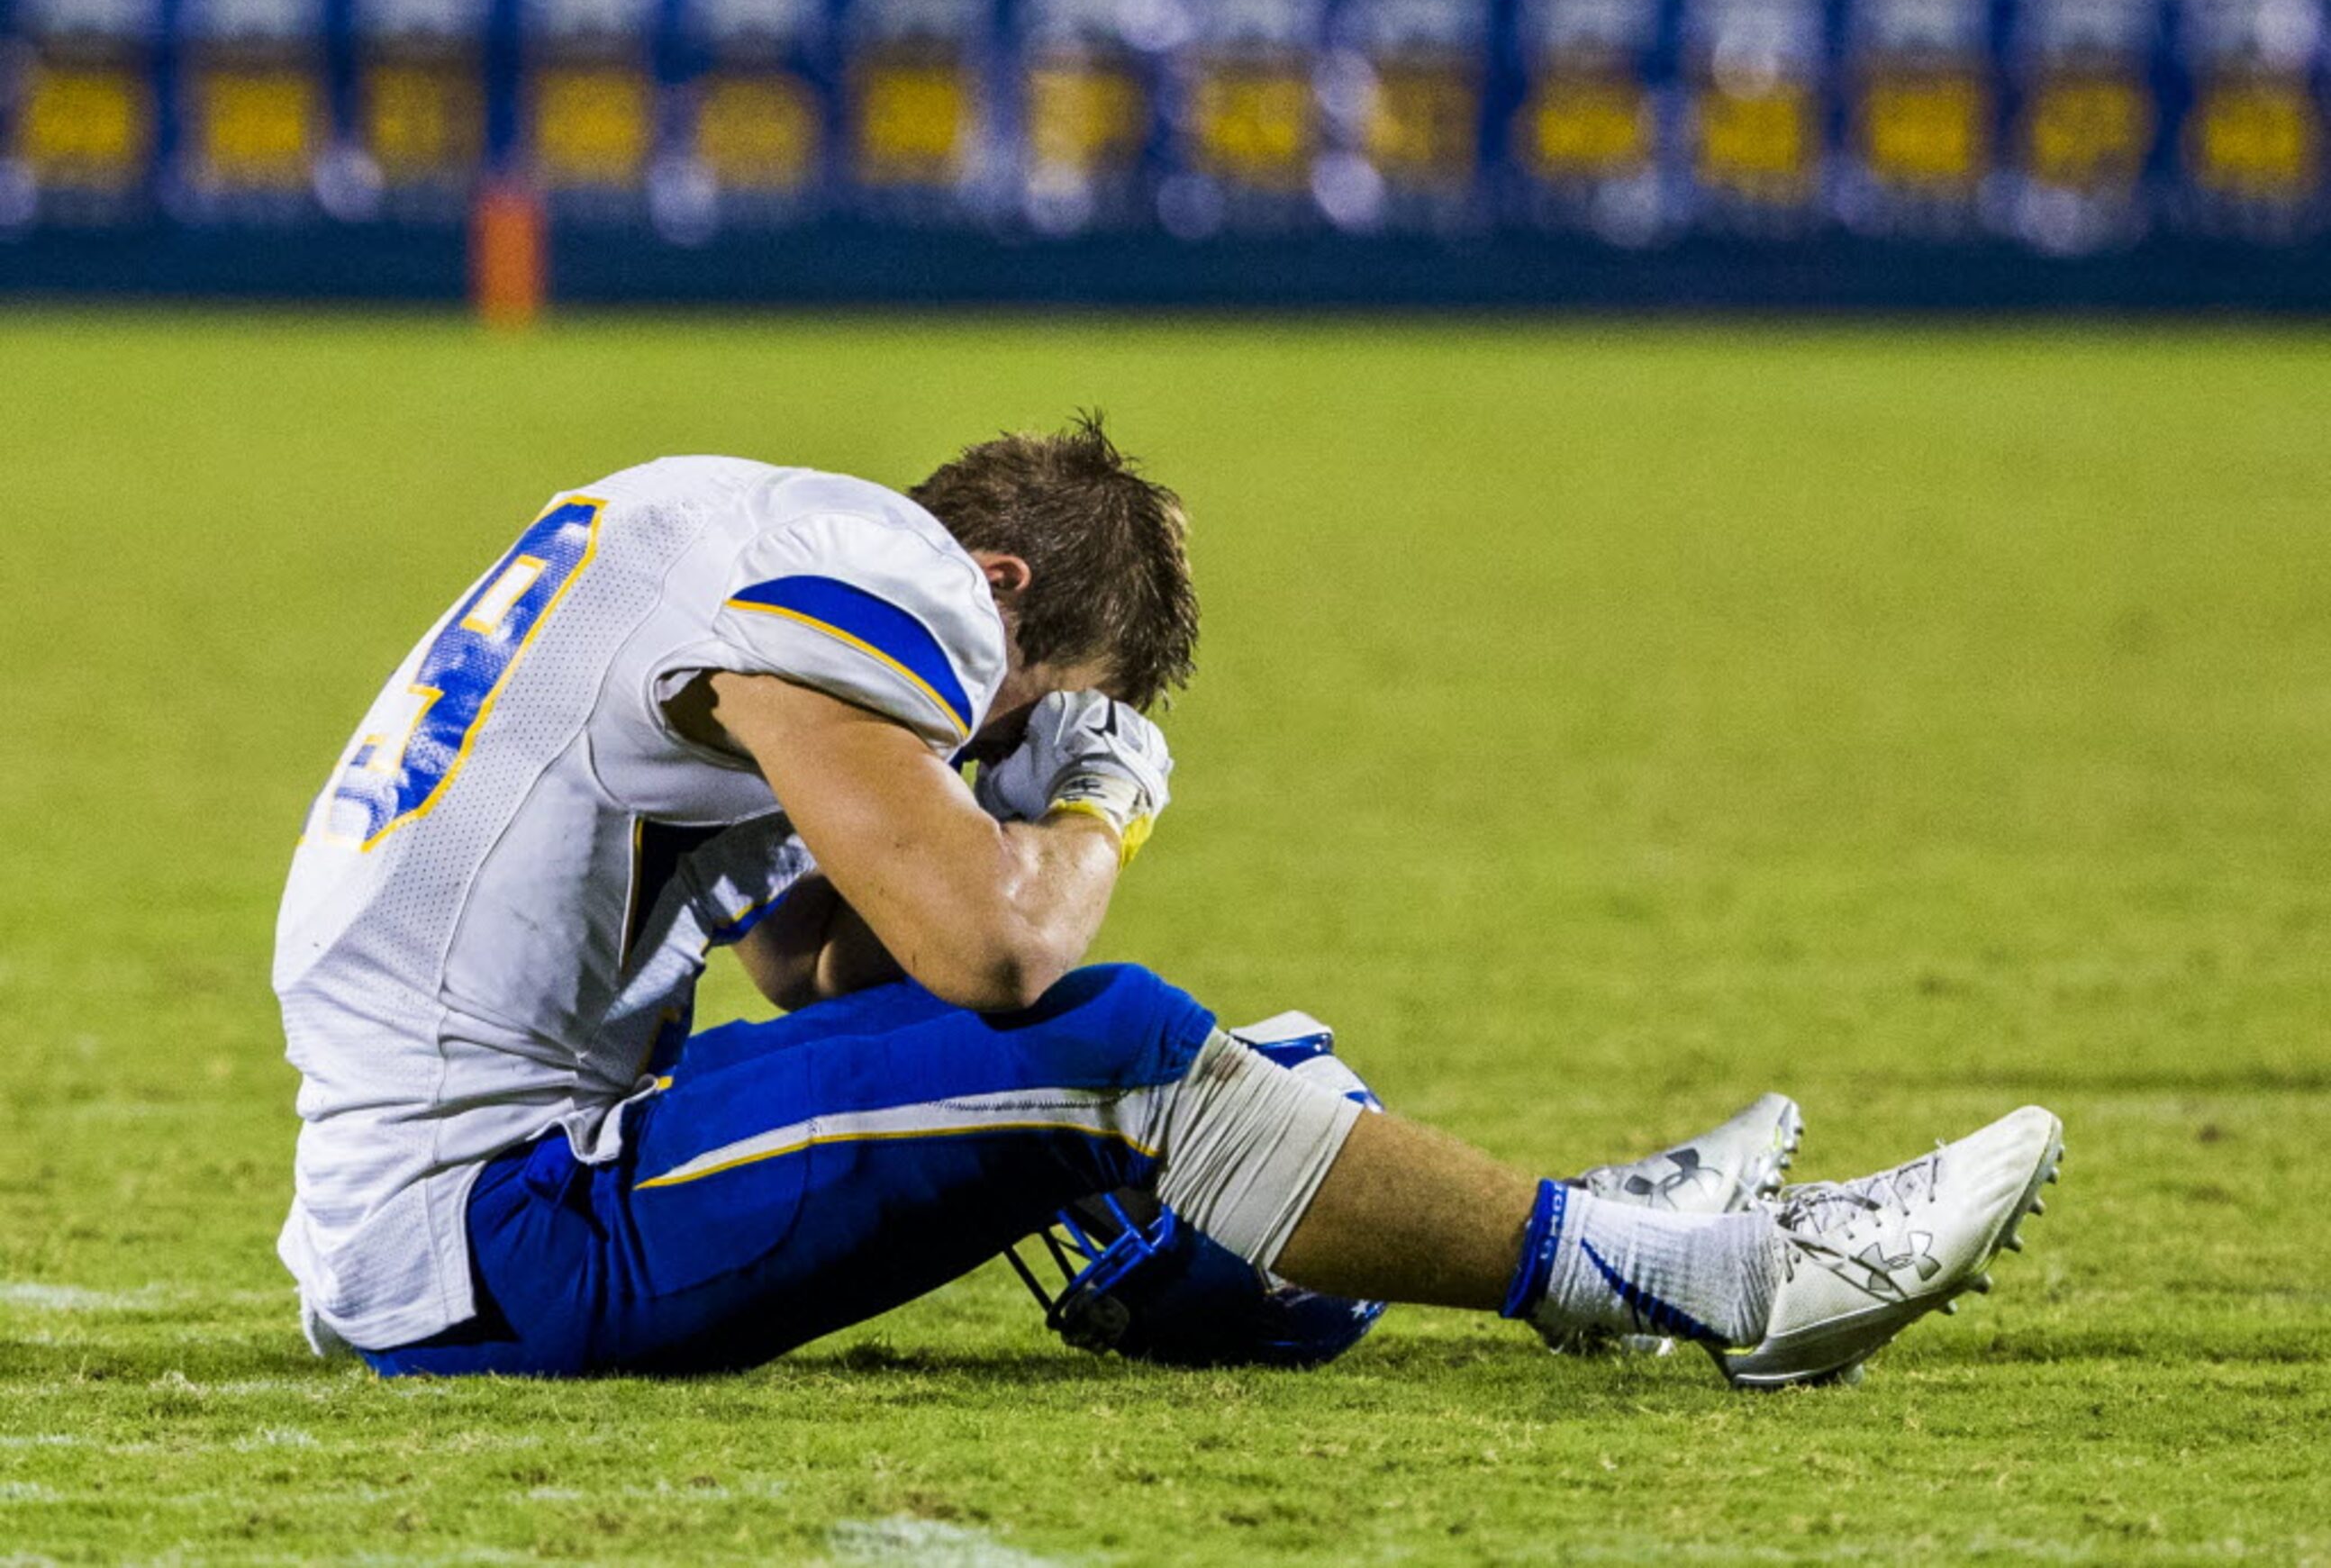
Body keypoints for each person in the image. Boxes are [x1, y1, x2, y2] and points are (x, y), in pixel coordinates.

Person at [275, 418, 2060, 1388]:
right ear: (992, 588)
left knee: (1244, 1079)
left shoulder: (718, 534)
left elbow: (812, 965)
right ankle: (1716, 1281)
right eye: (1043, 701)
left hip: (474, 1200)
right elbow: (992, 950)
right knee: (1114, 1038)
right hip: (494, 1231)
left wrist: (1008, 830)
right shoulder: (895, 590)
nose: (991, 759)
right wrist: (1101, 798)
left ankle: (1534, 1213)